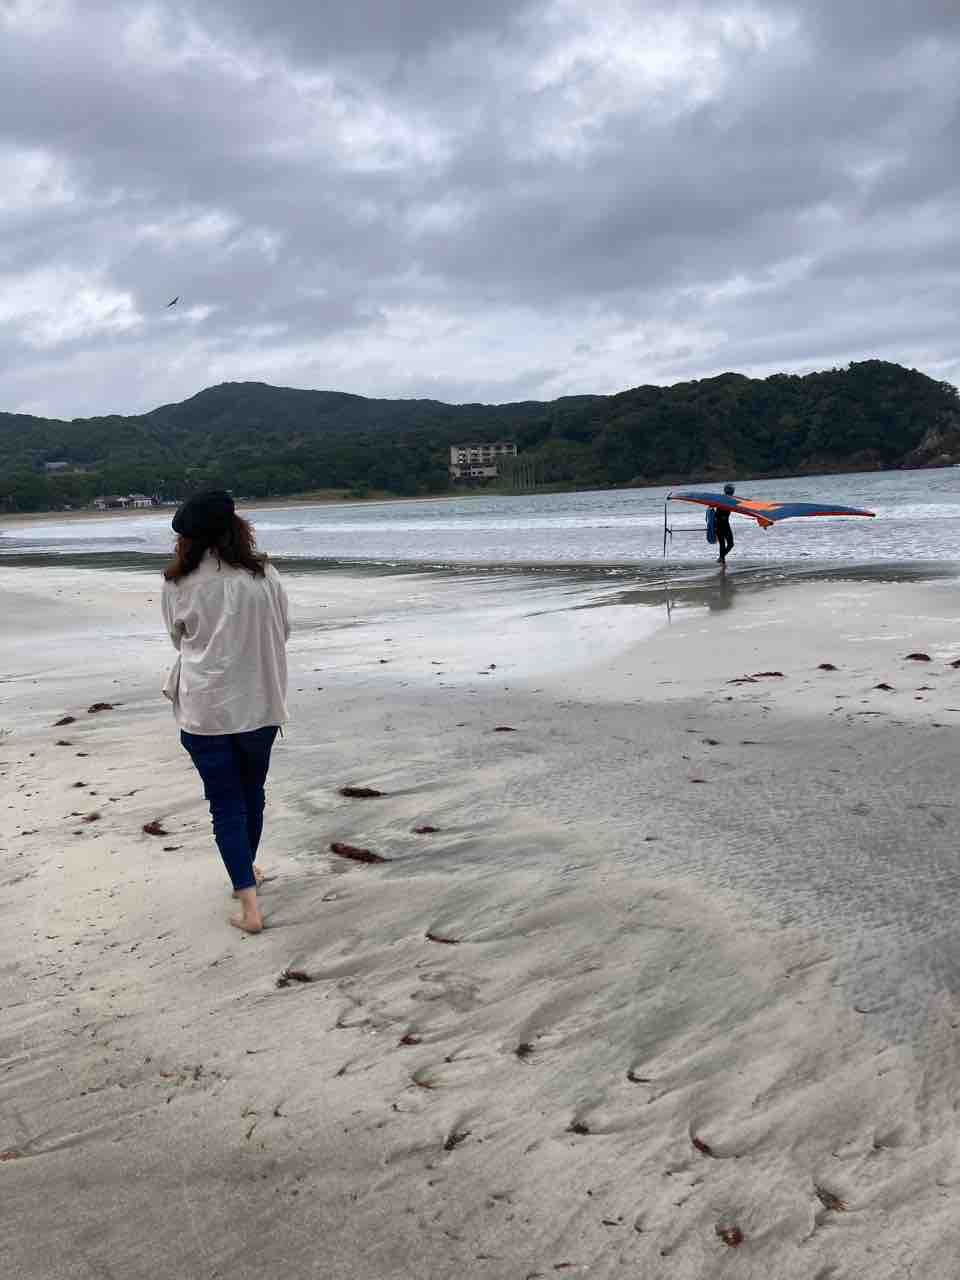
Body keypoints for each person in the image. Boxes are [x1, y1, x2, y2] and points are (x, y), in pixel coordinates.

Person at [161, 491, 290, 933]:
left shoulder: (178, 583)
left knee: (226, 805)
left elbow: (177, 639)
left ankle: (248, 901)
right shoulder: (265, 575)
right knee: (252, 793)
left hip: (205, 710)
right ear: (238, 529)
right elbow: (283, 630)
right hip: (260, 704)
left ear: (187, 539)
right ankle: (246, 872)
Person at [715, 482, 736, 567]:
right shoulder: (722, 499)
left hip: (724, 524)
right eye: (732, 490)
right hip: (720, 524)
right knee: (725, 544)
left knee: (729, 544)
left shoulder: (730, 500)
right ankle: (722, 562)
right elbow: (717, 513)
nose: (733, 491)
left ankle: (721, 559)